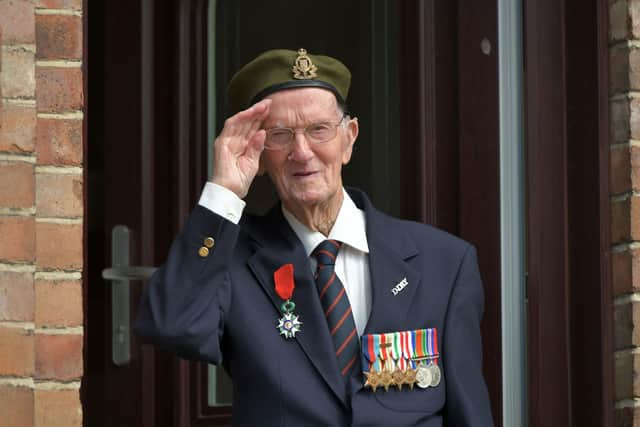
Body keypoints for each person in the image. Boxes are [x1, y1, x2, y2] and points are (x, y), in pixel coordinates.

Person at [135, 48, 494, 426]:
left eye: (318, 130)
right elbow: (170, 327)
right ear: (258, 152)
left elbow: (469, 412)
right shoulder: (233, 262)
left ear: (349, 138)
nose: (302, 152)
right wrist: (223, 192)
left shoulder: (444, 263)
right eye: (280, 135)